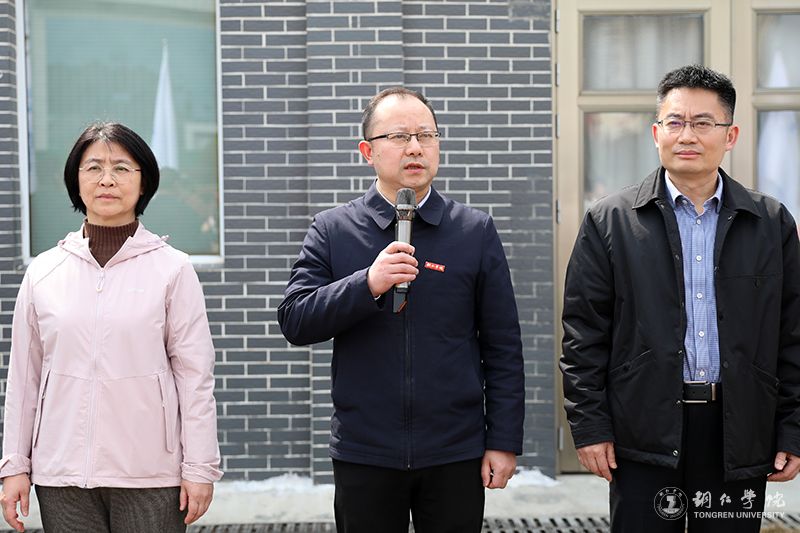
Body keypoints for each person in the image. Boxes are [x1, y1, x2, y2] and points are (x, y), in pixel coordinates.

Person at [561, 64, 800, 532]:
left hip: (739, 432)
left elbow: (792, 334)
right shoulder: (610, 222)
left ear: (730, 136)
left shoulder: (770, 223)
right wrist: (590, 427)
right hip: (642, 431)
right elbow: (582, 336)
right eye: (675, 122)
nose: (687, 135)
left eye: (703, 122)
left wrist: (792, 427)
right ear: (656, 133)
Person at [278, 87, 525, 533]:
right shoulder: (333, 229)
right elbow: (296, 319)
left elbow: (503, 345)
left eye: (426, 135)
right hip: (365, 451)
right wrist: (366, 284)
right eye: (398, 136)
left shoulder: (474, 231)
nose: (415, 147)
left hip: (454, 450)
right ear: (367, 151)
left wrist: (503, 440)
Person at [0, 122, 223, 532]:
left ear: (144, 182)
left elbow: (195, 377)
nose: (107, 179)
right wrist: (14, 464)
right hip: (61, 473)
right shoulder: (44, 272)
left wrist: (200, 466)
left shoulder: (173, 269)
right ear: (76, 180)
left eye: (121, 168)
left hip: (151, 473)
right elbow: (23, 377)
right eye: (93, 167)